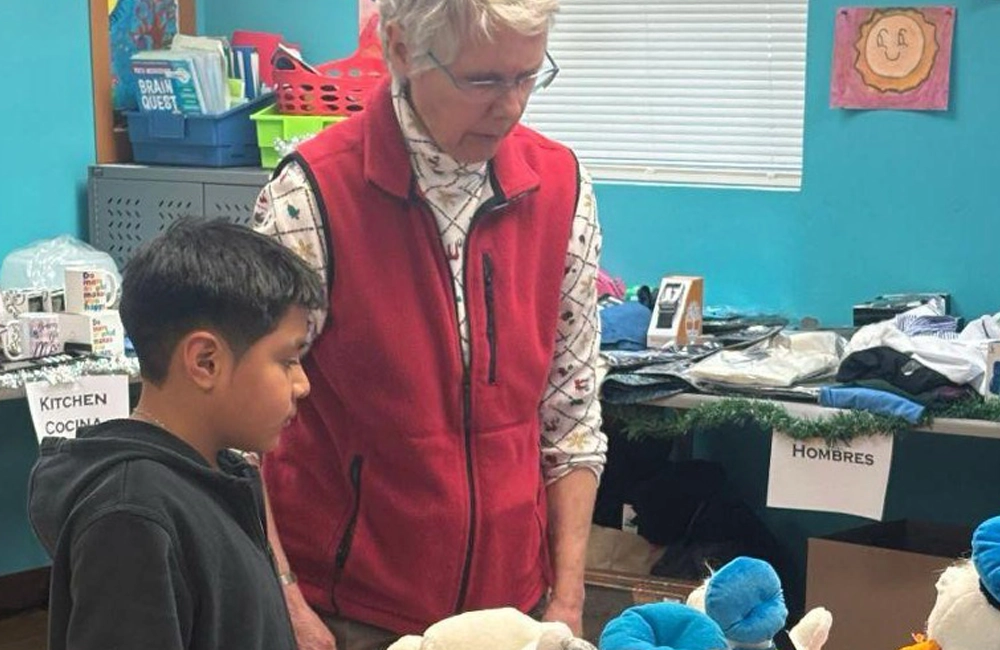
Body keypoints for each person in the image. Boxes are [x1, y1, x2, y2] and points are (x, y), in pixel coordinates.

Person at [253, 1, 608, 648]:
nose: (511, 106)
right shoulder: (312, 198)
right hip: (349, 615)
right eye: (483, 80)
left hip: (516, 612)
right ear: (400, 50)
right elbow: (239, 434)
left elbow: (571, 415)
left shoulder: (562, 188)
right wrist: (288, 605)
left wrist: (568, 598)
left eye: (529, 76)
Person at [28, 220, 327, 650]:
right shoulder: (132, 518)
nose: (303, 384)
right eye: (287, 360)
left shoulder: (219, 474)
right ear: (205, 362)